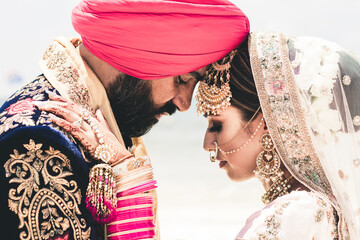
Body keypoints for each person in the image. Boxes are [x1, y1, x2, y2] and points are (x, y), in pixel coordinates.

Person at [50, 31, 360, 239]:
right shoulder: (322, 210)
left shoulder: (299, 215)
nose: (206, 143)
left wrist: (128, 176)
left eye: (216, 124)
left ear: (264, 122)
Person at [0, 0, 250, 239]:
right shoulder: (39, 143)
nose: (184, 104)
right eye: (183, 80)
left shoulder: (100, 124)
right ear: (134, 54)